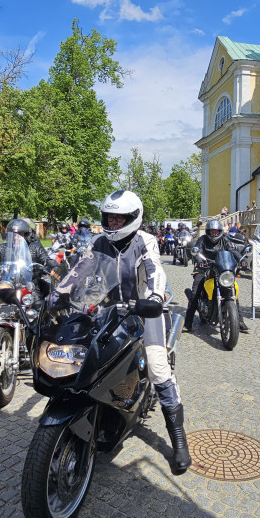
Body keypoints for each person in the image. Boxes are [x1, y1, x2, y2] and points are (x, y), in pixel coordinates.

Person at [93, 190, 191, 475]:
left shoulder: (144, 240)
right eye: (109, 217)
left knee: (159, 367)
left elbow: (155, 270)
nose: (112, 223)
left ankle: (178, 441)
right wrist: (61, 288)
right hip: (110, 309)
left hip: (144, 308)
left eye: (118, 218)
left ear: (132, 219)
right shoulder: (98, 242)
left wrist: (155, 298)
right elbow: (81, 269)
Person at [184, 219, 249, 335]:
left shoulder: (224, 240)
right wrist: (199, 261)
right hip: (204, 268)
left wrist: (241, 260)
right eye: (211, 231)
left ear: (219, 231)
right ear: (208, 231)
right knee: (195, 294)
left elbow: (233, 251)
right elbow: (197, 251)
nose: (214, 234)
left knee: (232, 290)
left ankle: (239, 321)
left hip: (220, 269)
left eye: (216, 231)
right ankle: (188, 323)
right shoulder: (202, 240)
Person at [0, 218, 59, 295]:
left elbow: (47, 260)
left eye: (19, 234)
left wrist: (56, 268)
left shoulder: (35, 247)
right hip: (7, 285)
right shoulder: (2, 248)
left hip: (30, 286)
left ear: (26, 235)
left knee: (37, 305)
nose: (16, 237)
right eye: (13, 234)